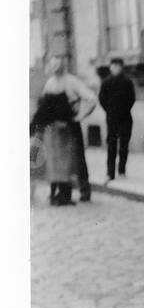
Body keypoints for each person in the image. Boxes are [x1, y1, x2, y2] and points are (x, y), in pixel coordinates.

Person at [38, 56, 96, 202]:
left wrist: (80, 116)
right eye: (52, 65)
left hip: (70, 124)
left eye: (57, 65)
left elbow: (91, 98)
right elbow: (44, 104)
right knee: (57, 160)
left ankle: (84, 190)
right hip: (55, 128)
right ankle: (59, 192)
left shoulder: (72, 81)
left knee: (78, 158)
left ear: (63, 66)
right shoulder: (50, 83)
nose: (55, 68)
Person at [98, 57, 135, 180]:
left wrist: (124, 110)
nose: (115, 68)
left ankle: (122, 170)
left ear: (121, 67)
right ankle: (110, 172)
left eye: (118, 66)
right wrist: (109, 111)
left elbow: (132, 98)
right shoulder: (106, 82)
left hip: (125, 117)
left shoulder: (127, 82)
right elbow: (102, 98)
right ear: (110, 67)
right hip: (112, 118)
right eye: (113, 66)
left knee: (124, 145)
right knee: (111, 145)